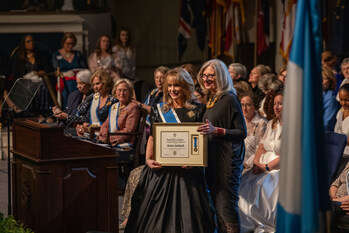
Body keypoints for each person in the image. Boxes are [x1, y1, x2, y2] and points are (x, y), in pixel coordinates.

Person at [125, 68, 216, 233]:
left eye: (177, 85)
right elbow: (152, 137)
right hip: (162, 170)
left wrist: (195, 162)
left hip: (188, 172)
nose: (172, 89)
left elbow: (200, 139)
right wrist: (148, 159)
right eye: (170, 85)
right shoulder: (159, 109)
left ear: (186, 87)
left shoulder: (198, 109)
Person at [197, 59, 247, 232]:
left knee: (226, 207)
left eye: (211, 75)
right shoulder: (211, 99)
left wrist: (216, 130)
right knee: (218, 207)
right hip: (213, 160)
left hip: (227, 161)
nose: (206, 79)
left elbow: (242, 132)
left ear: (221, 76)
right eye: (204, 75)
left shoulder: (230, 99)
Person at [239, 92, 283, 232]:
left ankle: (263, 221)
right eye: (275, 103)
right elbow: (262, 146)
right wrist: (257, 162)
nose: (277, 107)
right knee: (243, 182)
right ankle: (246, 224)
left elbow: (288, 155)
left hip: (278, 168)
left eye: (280, 103)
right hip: (262, 164)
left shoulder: (292, 126)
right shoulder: (272, 123)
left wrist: (266, 167)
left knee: (262, 185)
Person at [10, 34, 51, 116]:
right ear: (24, 44)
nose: (31, 43)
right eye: (28, 41)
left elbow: (47, 69)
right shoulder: (19, 58)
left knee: (42, 86)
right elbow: (16, 73)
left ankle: (41, 112)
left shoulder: (40, 55)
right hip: (24, 81)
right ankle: (29, 112)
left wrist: (36, 73)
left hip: (39, 79)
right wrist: (25, 78)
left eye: (32, 41)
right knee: (28, 86)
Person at [97, 79, 140, 149]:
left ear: (130, 92)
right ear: (115, 92)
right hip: (109, 141)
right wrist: (104, 135)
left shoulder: (133, 107)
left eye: (125, 90)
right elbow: (105, 125)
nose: (121, 93)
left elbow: (128, 131)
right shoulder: (114, 106)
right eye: (119, 90)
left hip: (124, 144)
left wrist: (109, 138)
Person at [75, 69, 117, 136]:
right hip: (91, 133)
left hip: (105, 136)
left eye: (97, 84)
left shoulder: (113, 100)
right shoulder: (93, 97)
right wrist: (81, 129)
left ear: (106, 82)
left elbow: (111, 125)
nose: (95, 87)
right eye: (93, 85)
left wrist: (88, 129)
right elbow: (87, 119)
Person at [52, 32, 87, 109]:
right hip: (63, 78)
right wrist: (65, 74)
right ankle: (67, 110)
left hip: (77, 77)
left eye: (72, 44)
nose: (70, 46)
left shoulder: (77, 54)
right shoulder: (56, 54)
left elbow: (84, 68)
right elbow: (55, 70)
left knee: (79, 85)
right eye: (68, 43)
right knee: (68, 87)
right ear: (63, 43)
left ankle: (78, 110)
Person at [240, 92, 267, 169]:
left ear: (255, 106)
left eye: (248, 105)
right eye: (242, 105)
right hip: (240, 164)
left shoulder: (261, 123)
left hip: (253, 165)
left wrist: (248, 164)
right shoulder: (240, 122)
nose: (244, 108)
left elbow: (260, 149)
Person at [323, 66, 339, 131]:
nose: (321, 81)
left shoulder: (330, 99)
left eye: (324, 78)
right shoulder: (315, 95)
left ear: (330, 81)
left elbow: (326, 125)